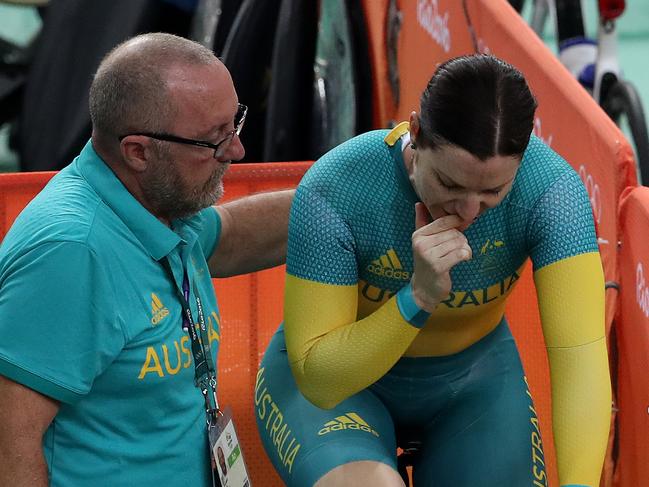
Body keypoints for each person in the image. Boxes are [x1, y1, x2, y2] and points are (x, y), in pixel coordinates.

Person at [255, 54, 611, 486]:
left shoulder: (552, 191)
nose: (468, 211)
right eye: (450, 184)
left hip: (475, 386)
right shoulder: (339, 185)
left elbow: (582, 362)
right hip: (341, 385)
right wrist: (418, 298)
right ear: (416, 132)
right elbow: (320, 381)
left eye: (494, 191)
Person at [0, 33, 293, 487]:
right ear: (138, 151)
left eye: (235, 123)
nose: (235, 151)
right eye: (213, 140)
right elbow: (8, 447)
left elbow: (232, 236)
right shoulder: (72, 252)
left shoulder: (155, 202)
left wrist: (347, 193)